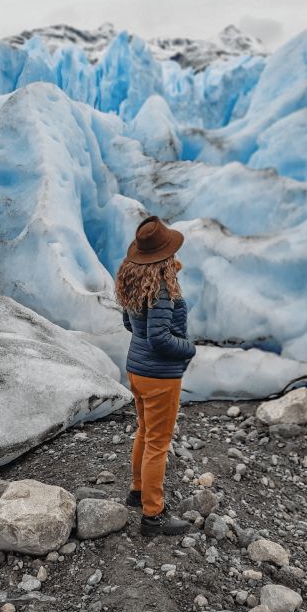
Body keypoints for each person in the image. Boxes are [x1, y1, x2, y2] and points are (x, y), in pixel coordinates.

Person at [115, 215, 196, 537]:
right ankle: (153, 514)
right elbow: (160, 338)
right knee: (158, 444)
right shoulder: (161, 290)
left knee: (145, 433)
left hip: (137, 370)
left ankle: (137, 491)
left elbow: (129, 325)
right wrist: (188, 349)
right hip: (160, 376)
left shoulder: (136, 282)